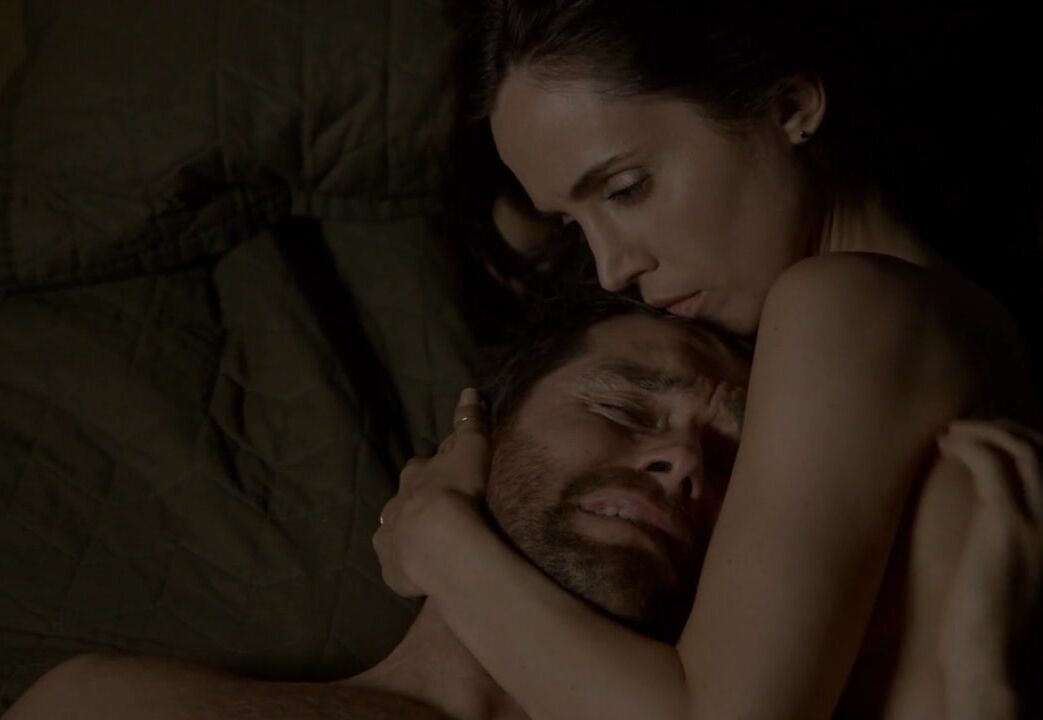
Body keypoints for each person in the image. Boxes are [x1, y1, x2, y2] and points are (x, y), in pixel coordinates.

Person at [373, 2, 1043, 719]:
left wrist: (437, 538)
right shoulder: (930, 324)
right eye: (573, 222)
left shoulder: (848, 304)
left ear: (789, 107)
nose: (612, 267)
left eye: (626, 189)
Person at [6, 297, 1038, 719]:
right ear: (479, 438)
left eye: (731, 461)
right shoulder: (118, 706)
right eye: (622, 408)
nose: (682, 458)